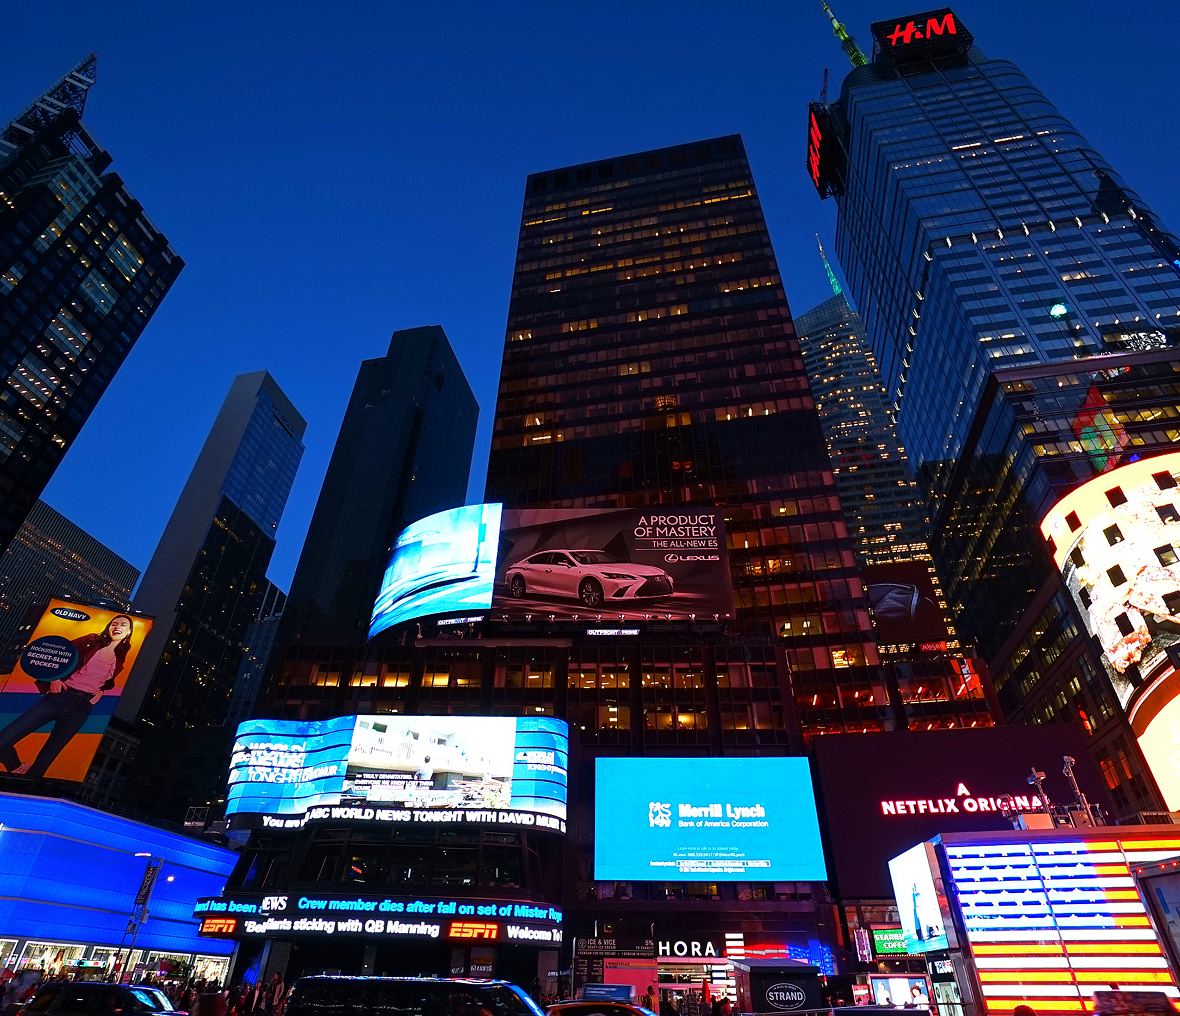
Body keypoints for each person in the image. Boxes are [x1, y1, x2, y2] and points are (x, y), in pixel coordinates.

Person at [0, 615, 135, 777]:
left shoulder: (120, 657)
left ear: (128, 632)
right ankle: (15, 767)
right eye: (114, 623)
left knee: (44, 763)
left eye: (123, 625)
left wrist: (101, 691)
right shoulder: (92, 641)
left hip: (82, 709)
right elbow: (59, 654)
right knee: (4, 739)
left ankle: (24, 790)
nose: (117, 626)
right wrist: (54, 678)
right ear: (109, 627)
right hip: (59, 697)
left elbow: (106, 680)